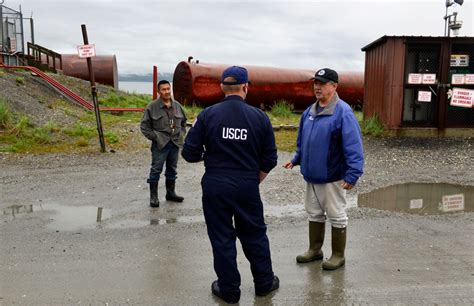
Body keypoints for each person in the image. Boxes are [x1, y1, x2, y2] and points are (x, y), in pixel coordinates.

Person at [182, 66, 279, 303]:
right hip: (247, 183)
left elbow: (189, 153)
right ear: (246, 87)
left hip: (216, 183)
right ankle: (264, 283)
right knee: (255, 234)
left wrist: (212, 157)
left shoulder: (207, 115)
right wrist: (253, 179)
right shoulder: (259, 117)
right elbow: (270, 159)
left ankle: (229, 289)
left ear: (222, 87)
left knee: (221, 236)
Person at [283, 68, 364, 270]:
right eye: (315, 83)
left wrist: (353, 174)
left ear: (334, 86)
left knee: (336, 214)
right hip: (312, 175)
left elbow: (354, 147)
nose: (317, 87)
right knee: (314, 213)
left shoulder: (343, 113)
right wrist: (296, 158)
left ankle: (338, 255)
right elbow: (303, 141)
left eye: (322, 83)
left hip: (333, 176)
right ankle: (315, 250)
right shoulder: (309, 112)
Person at [140, 80, 187, 207]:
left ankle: (170, 193)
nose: (167, 92)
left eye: (168, 89)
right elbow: (144, 126)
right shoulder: (152, 107)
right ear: (158, 91)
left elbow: (184, 122)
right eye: (164, 89)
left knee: (172, 169)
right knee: (156, 170)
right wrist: (155, 137)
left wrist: (181, 134)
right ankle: (154, 197)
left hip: (174, 143)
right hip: (160, 144)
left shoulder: (177, 106)